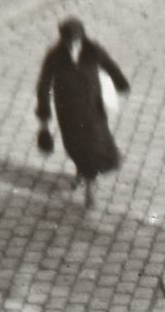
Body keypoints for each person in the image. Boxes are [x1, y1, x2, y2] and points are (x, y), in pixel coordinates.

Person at [35, 18, 130, 211]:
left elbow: (110, 65)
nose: (73, 45)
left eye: (76, 40)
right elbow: (43, 85)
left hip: (92, 107)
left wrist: (121, 83)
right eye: (70, 41)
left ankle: (89, 187)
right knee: (76, 146)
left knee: (94, 143)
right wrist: (44, 115)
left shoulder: (92, 50)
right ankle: (83, 171)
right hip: (69, 111)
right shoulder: (54, 56)